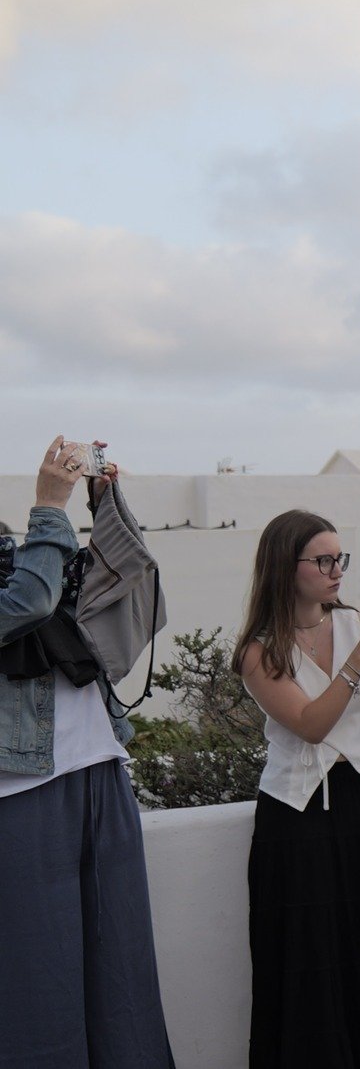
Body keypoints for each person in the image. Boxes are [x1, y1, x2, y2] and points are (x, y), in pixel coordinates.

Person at [1, 439, 176, 1068]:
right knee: (38, 975)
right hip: (21, 789)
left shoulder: (20, 553)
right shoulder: (27, 562)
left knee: (122, 966)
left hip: (100, 766)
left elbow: (125, 591)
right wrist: (50, 505)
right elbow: (27, 604)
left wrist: (104, 506)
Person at [236, 509, 360, 1068]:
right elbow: (312, 725)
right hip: (297, 814)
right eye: (322, 560)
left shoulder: (357, 623)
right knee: (307, 957)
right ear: (285, 566)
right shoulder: (259, 649)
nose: (336, 570)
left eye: (339, 558)